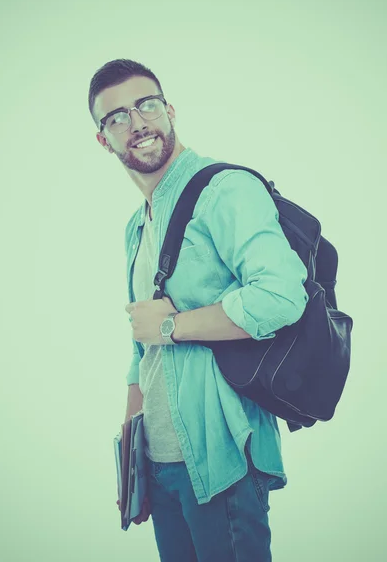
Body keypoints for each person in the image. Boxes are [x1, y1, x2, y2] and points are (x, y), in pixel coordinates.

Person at [88, 59, 309, 561]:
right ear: (104, 139)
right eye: (117, 116)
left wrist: (171, 325)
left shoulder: (224, 190)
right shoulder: (136, 226)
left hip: (221, 459)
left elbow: (281, 296)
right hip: (160, 465)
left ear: (169, 109)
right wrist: (131, 459)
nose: (137, 122)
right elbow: (139, 351)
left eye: (146, 105)